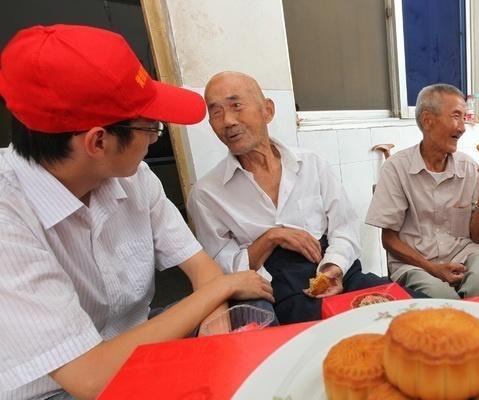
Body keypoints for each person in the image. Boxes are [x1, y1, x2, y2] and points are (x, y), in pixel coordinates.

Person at [0, 25, 274, 400]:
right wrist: (225, 285)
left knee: (251, 308)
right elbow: (89, 377)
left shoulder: (135, 178)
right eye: (150, 127)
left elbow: (199, 266)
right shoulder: (8, 215)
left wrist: (216, 318)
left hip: (134, 342)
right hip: (56, 389)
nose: (152, 137)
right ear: (98, 141)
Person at [188, 71, 395, 324]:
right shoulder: (207, 193)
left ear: (267, 110)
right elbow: (221, 269)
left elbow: (344, 226)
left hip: (337, 271)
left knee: (402, 309)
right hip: (278, 293)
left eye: (236, 105)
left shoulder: (311, 164)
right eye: (216, 112)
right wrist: (271, 238)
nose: (228, 120)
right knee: (330, 338)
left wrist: (333, 268)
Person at [365, 83, 479, 299]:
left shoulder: (468, 167)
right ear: (428, 120)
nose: (462, 127)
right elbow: (389, 240)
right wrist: (433, 269)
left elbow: (477, 237)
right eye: (456, 116)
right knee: (442, 301)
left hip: (465, 254)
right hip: (417, 264)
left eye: (464, 117)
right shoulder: (396, 169)